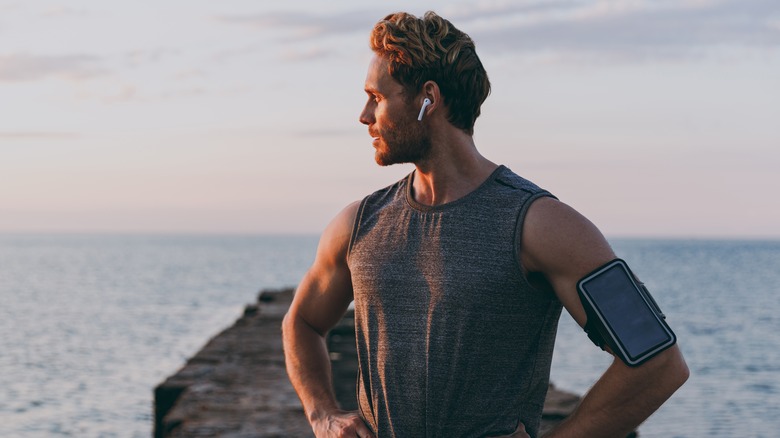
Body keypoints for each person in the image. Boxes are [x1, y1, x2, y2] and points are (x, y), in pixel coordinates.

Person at [282, 11, 688, 438]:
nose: (364, 115)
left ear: (428, 99)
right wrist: (323, 414)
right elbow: (302, 323)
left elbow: (659, 361)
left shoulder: (539, 224)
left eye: (376, 97)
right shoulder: (358, 224)